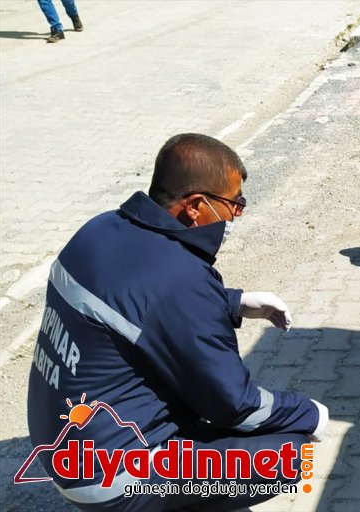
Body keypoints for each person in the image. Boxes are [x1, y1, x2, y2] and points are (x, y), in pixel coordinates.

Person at [26, 133, 329, 511]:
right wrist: (311, 413)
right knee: (287, 453)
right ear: (196, 206)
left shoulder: (99, 229)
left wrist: (232, 302)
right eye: (235, 203)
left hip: (58, 442)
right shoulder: (182, 278)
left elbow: (142, 300)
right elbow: (236, 405)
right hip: (111, 479)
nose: (236, 214)